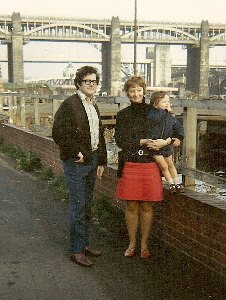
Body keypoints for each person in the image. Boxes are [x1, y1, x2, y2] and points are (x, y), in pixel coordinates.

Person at [52, 65, 107, 267]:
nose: (92, 84)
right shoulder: (70, 104)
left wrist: (101, 160)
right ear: (78, 83)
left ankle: (84, 244)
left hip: (92, 161)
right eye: (88, 81)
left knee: (87, 205)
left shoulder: (93, 104)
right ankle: (76, 250)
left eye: (94, 81)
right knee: (78, 205)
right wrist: (77, 152)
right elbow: (58, 132)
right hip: (76, 163)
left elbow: (99, 135)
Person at [115, 76, 172, 259]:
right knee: (131, 206)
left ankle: (144, 245)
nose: (136, 93)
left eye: (139, 90)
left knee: (147, 206)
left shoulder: (154, 111)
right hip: (131, 164)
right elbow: (120, 141)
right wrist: (140, 141)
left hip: (150, 164)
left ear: (144, 92)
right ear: (127, 93)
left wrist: (166, 141)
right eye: (132, 91)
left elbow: (172, 130)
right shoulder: (122, 115)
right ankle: (132, 244)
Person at [147, 91, 185, 192]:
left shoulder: (170, 118)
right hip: (155, 146)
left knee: (170, 164)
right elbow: (157, 118)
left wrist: (178, 138)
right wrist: (166, 111)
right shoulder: (152, 114)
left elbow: (179, 128)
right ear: (155, 104)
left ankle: (177, 183)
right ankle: (170, 183)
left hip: (166, 146)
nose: (167, 104)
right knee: (163, 166)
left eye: (168, 101)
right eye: (164, 102)